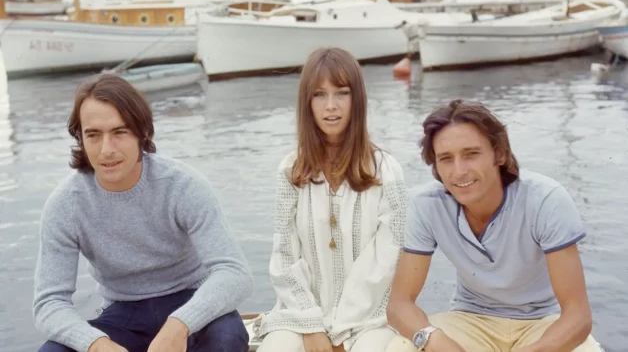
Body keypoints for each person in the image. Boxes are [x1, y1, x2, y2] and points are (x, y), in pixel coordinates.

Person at [33, 73, 254, 352]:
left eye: (120, 132)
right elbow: (49, 304)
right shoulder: (65, 204)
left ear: (142, 132)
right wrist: (96, 344)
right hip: (122, 315)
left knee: (226, 338)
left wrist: (180, 325)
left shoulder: (182, 186)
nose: (107, 150)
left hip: (190, 303)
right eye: (93, 135)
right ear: (80, 138)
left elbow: (235, 273)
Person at [385, 99, 602, 352]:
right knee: (403, 347)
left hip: (542, 323)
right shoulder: (427, 206)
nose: (459, 171)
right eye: (446, 159)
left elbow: (578, 316)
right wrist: (435, 340)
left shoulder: (545, 200)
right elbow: (399, 304)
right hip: (471, 319)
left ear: (499, 153)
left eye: (471, 154)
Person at [254, 48, 408, 352]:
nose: (331, 106)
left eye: (342, 93)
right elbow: (284, 257)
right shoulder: (290, 170)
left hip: (370, 318)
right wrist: (312, 326)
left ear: (357, 99)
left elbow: (385, 261)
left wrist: (336, 332)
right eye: (319, 95)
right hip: (299, 316)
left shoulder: (387, 171)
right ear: (307, 103)